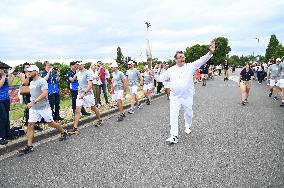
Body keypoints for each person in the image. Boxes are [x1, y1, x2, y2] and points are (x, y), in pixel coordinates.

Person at [154, 40, 215, 144]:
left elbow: (201, 60)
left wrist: (210, 52)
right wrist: (153, 75)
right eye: (180, 57)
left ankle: (188, 125)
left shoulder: (190, 66)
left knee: (189, 114)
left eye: (183, 57)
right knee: (173, 115)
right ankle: (174, 135)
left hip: (187, 96)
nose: (183, 58)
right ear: (176, 59)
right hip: (175, 97)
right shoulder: (171, 70)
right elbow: (161, 79)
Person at [19, 65, 67, 154]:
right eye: (27, 71)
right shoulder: (32, 82)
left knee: (51, 123)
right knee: (30, 124)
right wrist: (29, 103)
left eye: (30, 71)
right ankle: (29, 146)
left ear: (36, 72)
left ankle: (63, 131)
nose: (28, 73)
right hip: (34, 108)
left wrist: (33, 102)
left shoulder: (42, 81)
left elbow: (45, 94)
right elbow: (31, 91)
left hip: (44, 107)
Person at [68, 62, 102, 135]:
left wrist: (84, 93)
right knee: (77, 110)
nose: (78, 66)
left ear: (83, 65)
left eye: (80, 64)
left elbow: (90, 85)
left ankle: (99, 120)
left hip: (88, 94)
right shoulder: (78, 73)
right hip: (80, 94)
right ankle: (75, 128)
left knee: (93, 108)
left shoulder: (88, 73)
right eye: (77, 65)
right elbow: (72, 80)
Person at [0, 61, 14, 145]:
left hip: (6, 99)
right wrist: (3, 76)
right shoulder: (2, 76)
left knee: (7, 117)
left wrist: (9, 75)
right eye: (1, 68)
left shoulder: (4, 75)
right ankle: (1, 137)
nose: (2, 70)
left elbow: (9, 83)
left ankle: (7, 134)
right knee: (2, 118)